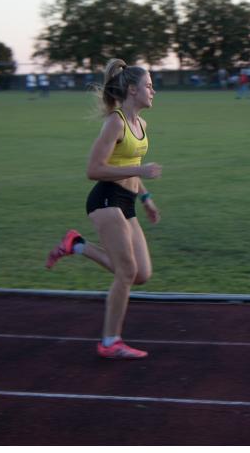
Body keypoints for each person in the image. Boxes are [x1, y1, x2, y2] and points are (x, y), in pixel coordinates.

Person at [45, 58, 162, 360]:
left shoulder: (141, 125)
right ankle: (110, 341)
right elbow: (94, 170)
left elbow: (128, 165)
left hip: (127, 202)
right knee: (126, 272)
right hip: (106, 200)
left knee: (142, 274)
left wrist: (146, 198)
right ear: (133, 90)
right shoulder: (115, 122)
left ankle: (77, 245)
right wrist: (140, 170)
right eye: (149, 86)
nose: (153, 91)